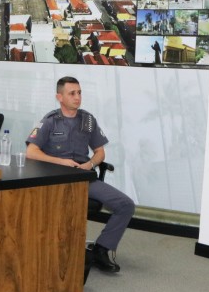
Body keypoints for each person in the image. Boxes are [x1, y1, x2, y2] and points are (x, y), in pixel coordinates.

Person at [26, 76, 135, 273]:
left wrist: (90, 164)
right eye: (72, 93)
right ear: (59, 97)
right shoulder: (50, 121)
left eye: (79, 93)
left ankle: (100, 250)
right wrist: (62, 162)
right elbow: (31, 152)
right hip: (56, 180)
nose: (77, 97)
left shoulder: (88, 120)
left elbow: (100, 152)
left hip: (84, 178)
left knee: (125, 205)